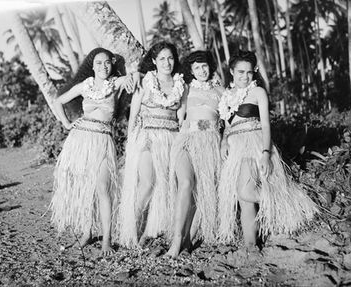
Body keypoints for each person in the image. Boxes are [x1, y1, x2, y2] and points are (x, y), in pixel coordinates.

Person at [217, 50, 318, 252]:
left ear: (254, 72)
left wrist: (265, 153)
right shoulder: (226, 95)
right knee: (244, 200)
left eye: (248, 72)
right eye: (240, 72)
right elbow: (227, 126)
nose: (244, 76)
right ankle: (250, 245)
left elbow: (265, 126)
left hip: (253, 144)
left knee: (245, 191)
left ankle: (284, 201)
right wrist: (223, 142)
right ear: (231, 71)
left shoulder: (258, 93)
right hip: (234, 147)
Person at [50, 47, 136, 256]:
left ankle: (106, 239)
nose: (103, 66)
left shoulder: (115, 84)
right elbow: (58, 101)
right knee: (86, 187)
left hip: (103, 141)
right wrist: (67, 123)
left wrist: (132, 75)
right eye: (98, 63)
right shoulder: (84, 86)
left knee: (103, 188)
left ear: (112, 64)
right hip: (80, 140)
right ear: (92, 65)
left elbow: (130, 78)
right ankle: (87, 232)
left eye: (107, 62)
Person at [117, 41, 186, 248]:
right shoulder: (145, 82)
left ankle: (149, 231)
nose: (167, 62)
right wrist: (130, 145)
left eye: (171, 58)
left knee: (164, 187)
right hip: (147, 138)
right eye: (162, 58)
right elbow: (133, 115)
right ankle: (129, 230)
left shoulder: (181, 85)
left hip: (171, 140)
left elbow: (181, 119)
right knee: (147, 184)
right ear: (154, 61)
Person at [165, 51, 224, 258]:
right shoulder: (185, 88)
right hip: (186, 139)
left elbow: (229, 120)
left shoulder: (221, 91)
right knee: (186, 184)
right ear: (191, 71)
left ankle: (189, 237)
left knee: (201, 191)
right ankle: (176, 240)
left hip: (210, 142)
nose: (202, 70)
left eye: (205, 66)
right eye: (197, 67)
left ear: (211, 66)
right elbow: (169, 104)